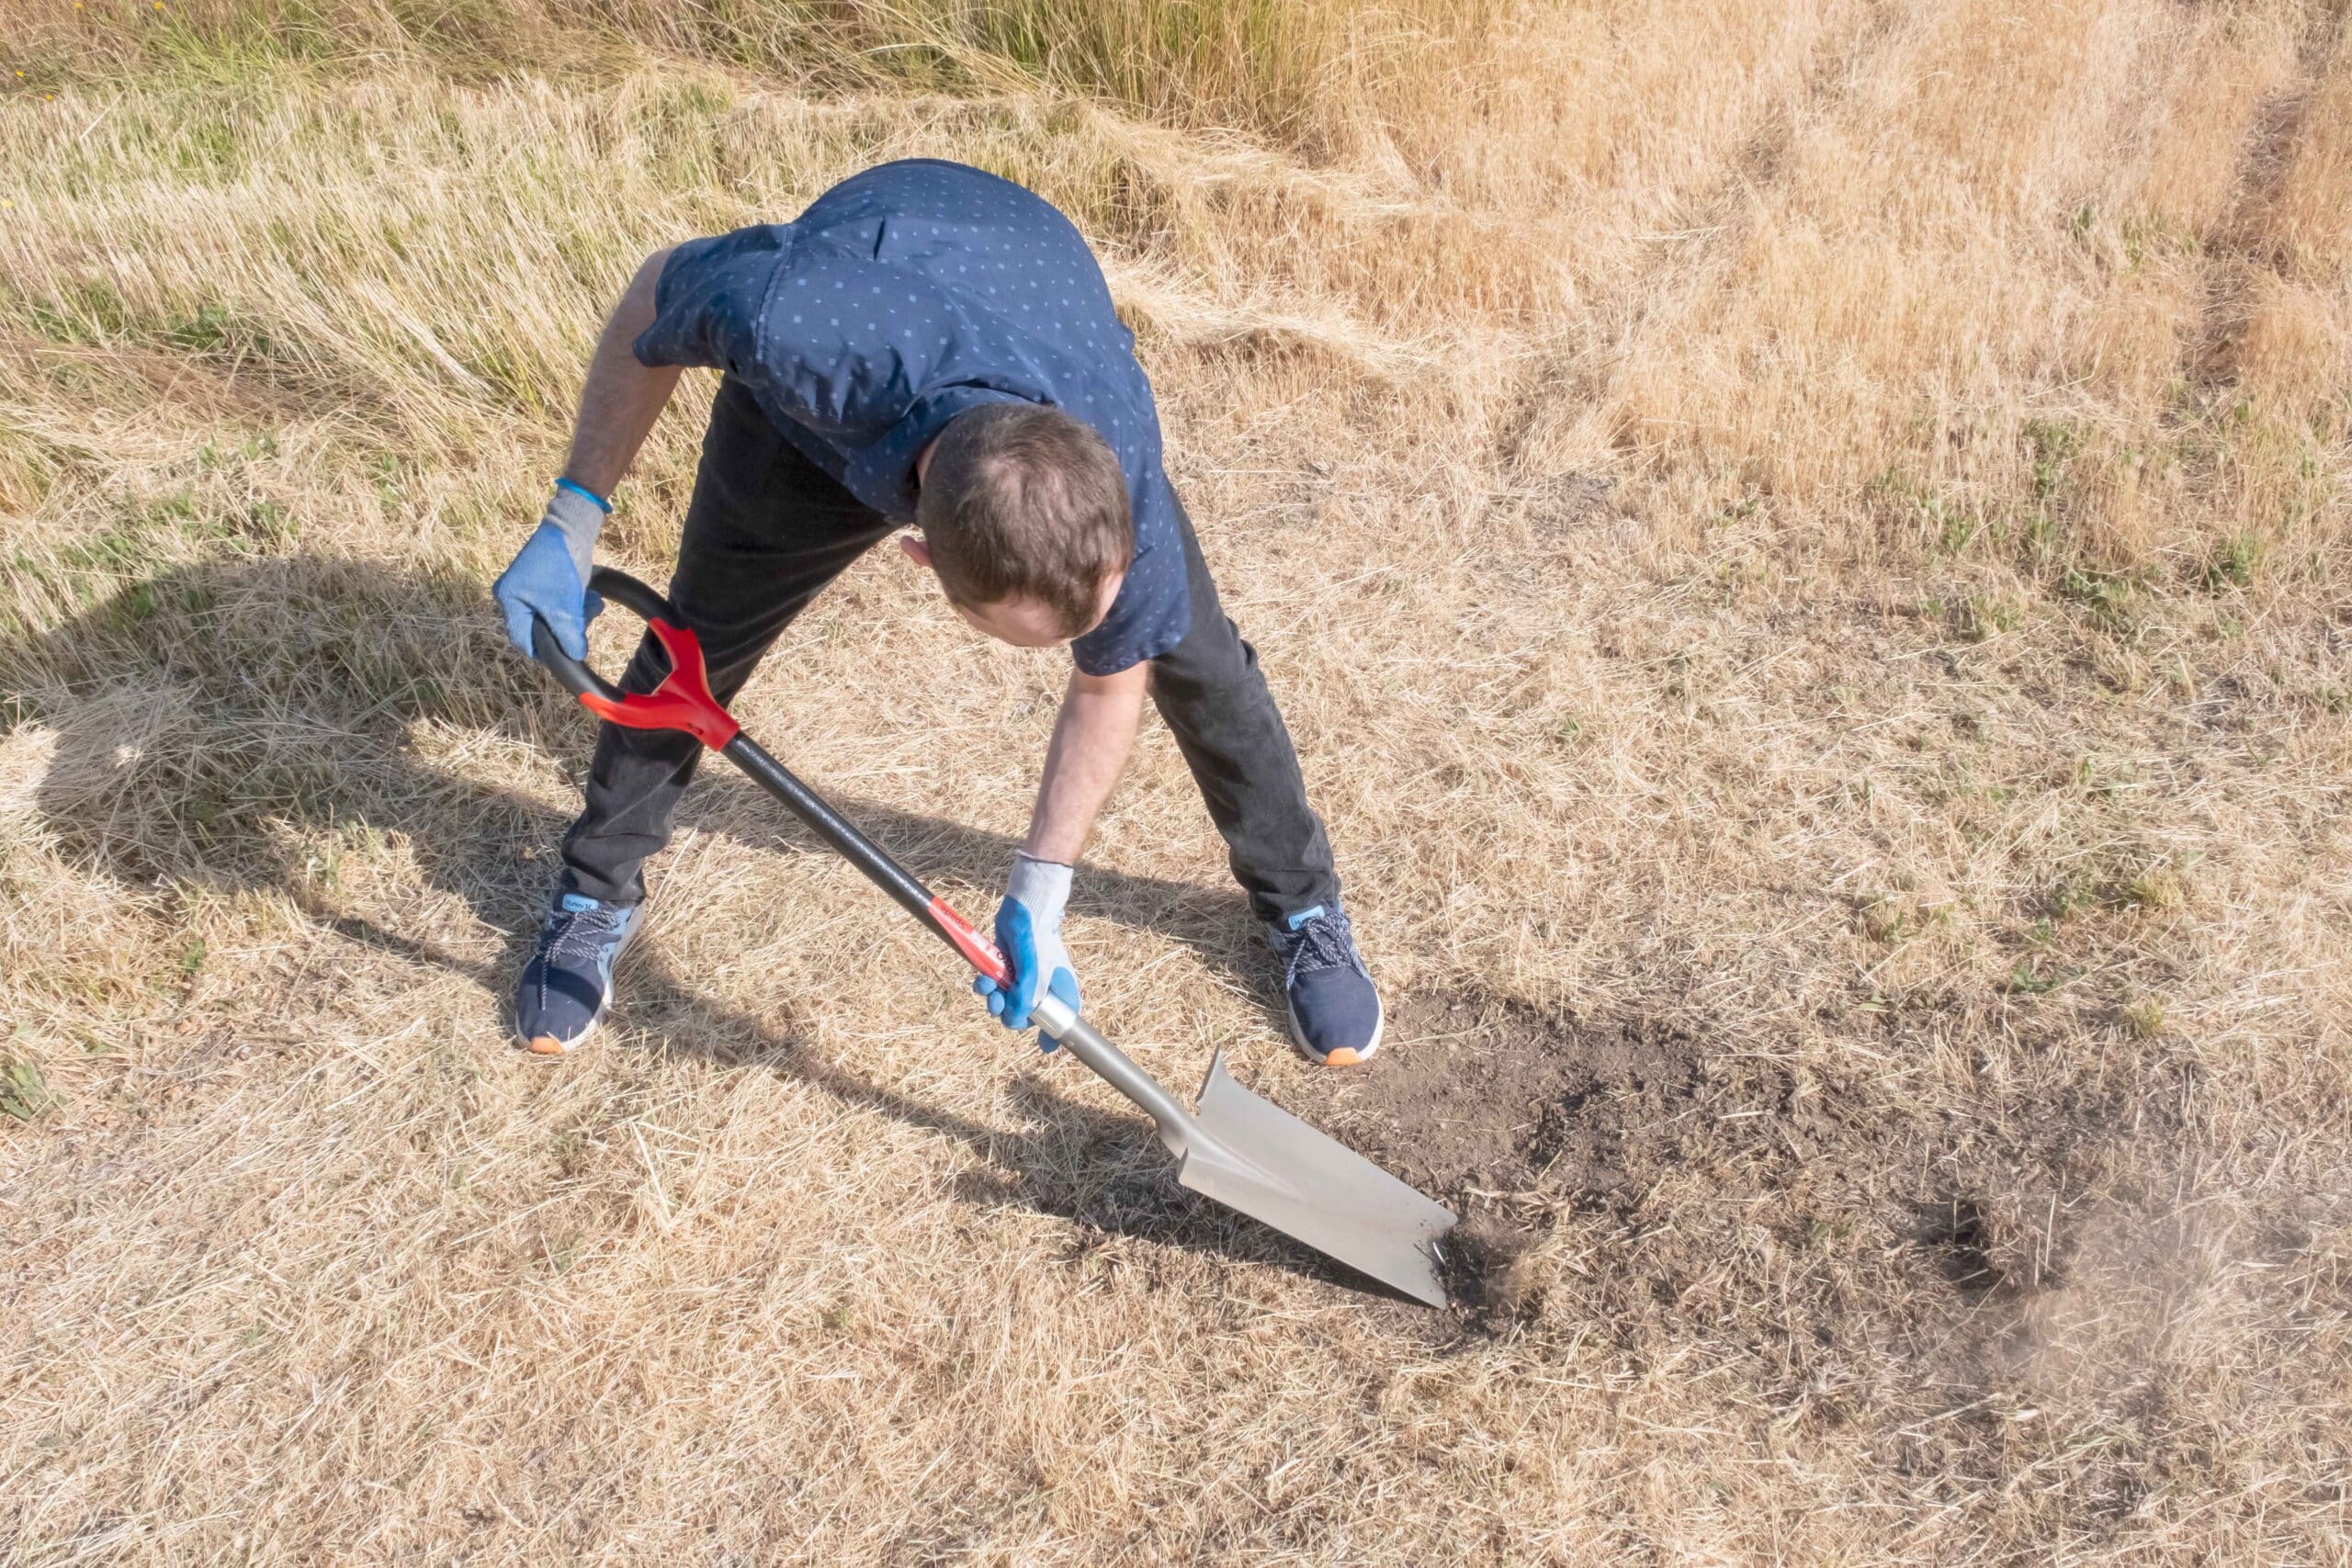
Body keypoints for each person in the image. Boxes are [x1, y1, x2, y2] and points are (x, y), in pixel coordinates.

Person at [491, 159, 1382, 1066]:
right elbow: (654, 294)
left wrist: (1039, 890)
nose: (1086, 644)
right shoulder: (795, 327)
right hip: (844, 354)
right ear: (918, 554)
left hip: (1020, 267)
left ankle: (1300, 900)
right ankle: (595, 892)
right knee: (697, 645)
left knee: (1199, 664)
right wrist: (573, 515)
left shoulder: (1115, 463)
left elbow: (1112, 681)